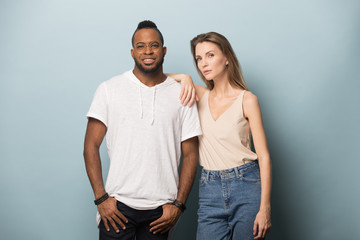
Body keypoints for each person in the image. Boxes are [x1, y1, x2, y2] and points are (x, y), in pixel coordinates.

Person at [83, 20, 202, 240]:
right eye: (141, 46)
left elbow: (191, 153)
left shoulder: (182, 95)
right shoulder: (109, 89)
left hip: (161, 211)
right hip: (117, 207)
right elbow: (90, 145)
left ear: (163, 50)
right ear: (132, 52)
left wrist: (179, 204)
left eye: (154, 45)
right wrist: (101, 199)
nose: (147, 51)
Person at [170, 32, 272, 239]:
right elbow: (155, 78)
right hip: (210, 189)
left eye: (210, 55)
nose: (203, 64)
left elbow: (264, 157)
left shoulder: (247, 99)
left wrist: (265, 209)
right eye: (198, 58)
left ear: (226, 58)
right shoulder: (198, 95)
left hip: (246, 185)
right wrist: (184, 77)